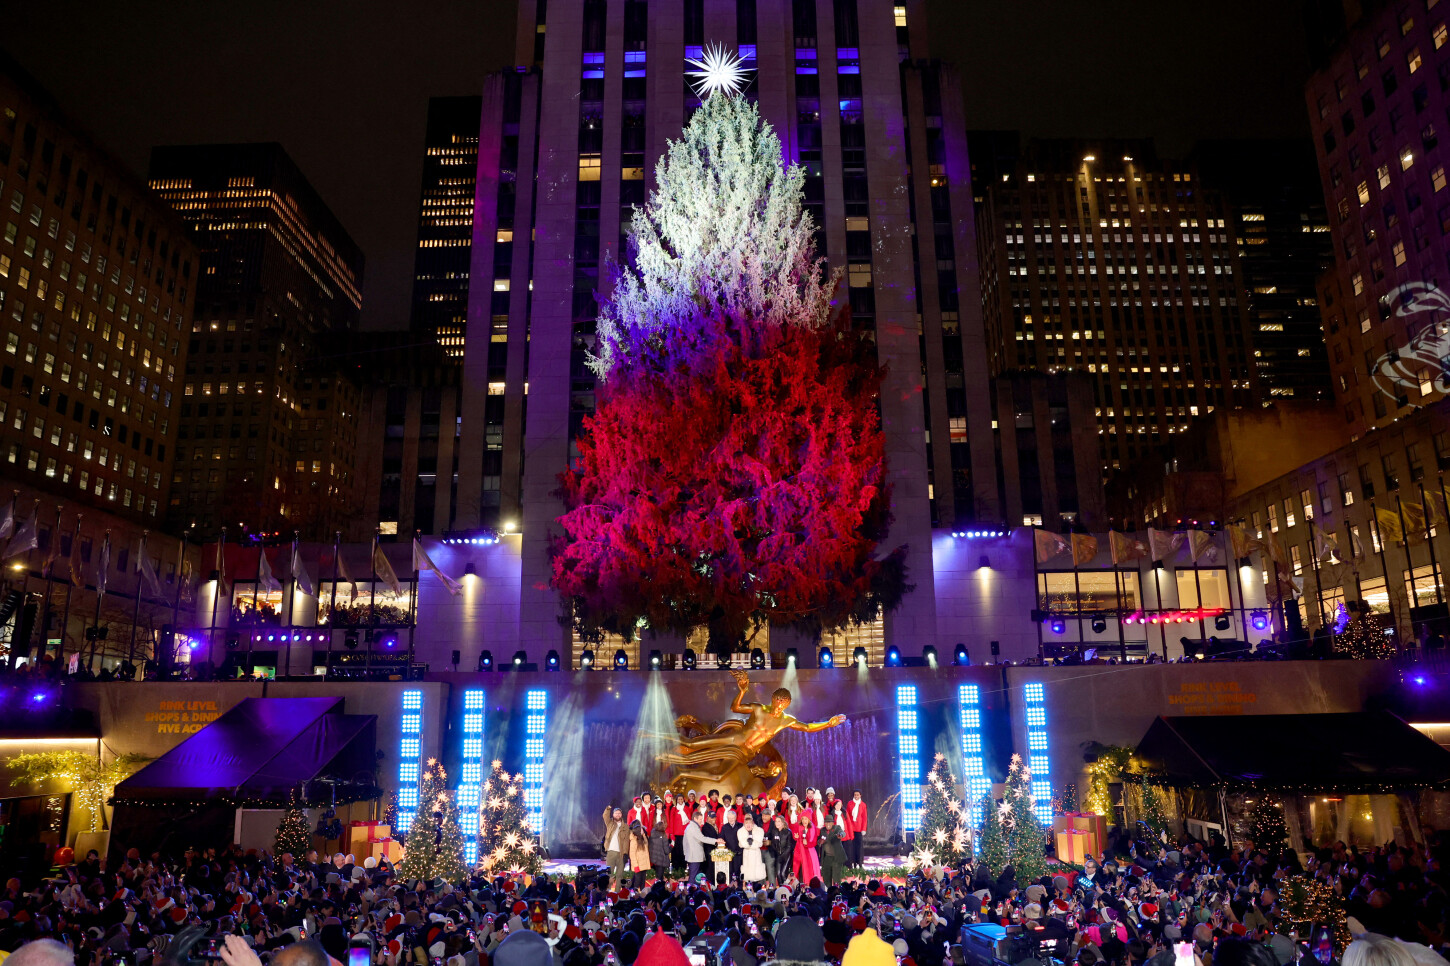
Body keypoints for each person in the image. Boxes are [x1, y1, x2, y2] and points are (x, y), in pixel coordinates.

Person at [682, 810, 716, 884]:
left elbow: (684, 842)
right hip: (694, 857)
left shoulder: (691, 826)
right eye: (700, 819)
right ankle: (690, 893)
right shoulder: (693, 827)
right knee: (693, 878)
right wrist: (716, 841)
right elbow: (702, 838)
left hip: (693, 856)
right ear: (695, 818)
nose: (702, 821)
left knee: (694, 877)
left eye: (702, 819)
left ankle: (692, 892)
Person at [738, 812, 767, 886]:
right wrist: (749, 843)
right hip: (746, 855)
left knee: (756, 877)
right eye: (746, 823)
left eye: (750, 822)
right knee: (748, 876)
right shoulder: (741, 832)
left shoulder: (759, 831)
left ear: (753, 823)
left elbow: (759, 843)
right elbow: (742, 843)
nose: (748, 825)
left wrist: (751, 843)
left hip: (755, 854)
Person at [603, 805, 628, 888]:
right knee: (609, 873)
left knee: (619, 874)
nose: (618, 815)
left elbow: (628, 840)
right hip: (611, 852)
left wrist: (626, 853)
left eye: (619, 813)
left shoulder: (626, 826)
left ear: (621, 815)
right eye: (616, 813)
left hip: (621, 853)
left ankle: (617, 893)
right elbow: (605, 816)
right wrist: (608, 809)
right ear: (613, 815)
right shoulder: (610, 823)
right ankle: (608, 892)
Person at [818, 814, 847, 887]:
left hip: (836, 857)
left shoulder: (836, 828)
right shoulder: (822, 830)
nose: (828, 824)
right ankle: (828, 893)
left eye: (829, 822)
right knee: (826, 878)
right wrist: (820, 842)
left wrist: (840, 835)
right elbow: (818, 840)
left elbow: (842, 832)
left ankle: (837, 894)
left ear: (832, 823)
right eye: (826, 822)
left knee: (836, 879)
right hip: (827, 857)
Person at [793, 809, 820, 883]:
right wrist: (796, 837)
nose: (804, 821)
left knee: (809, 870)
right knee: (798, 870)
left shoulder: (813, 828)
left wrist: (807, 843)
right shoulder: (798, 826)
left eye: (806, 819)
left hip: (809, 853)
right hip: (799, 852)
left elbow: (814, 842)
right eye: (803, 819)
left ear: (809, 819)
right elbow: (794, 835)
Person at [768, 813, 795, 886]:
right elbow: (773, 844)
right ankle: (781, 889)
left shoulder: (788, 832)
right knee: (778, 874)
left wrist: (783, 854)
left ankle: (787, 888)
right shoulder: (774, 831)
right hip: (778, 855)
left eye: (779, 821)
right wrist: (777, 852)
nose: (777, 823)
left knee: (783, 873)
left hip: (787, 856)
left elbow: (789, 846)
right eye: (776, 821)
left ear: (783, 822)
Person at [845, 789, 868, 867]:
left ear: (860, 795)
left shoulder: (863, 805)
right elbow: (847, 816)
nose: (856, 796)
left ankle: (860, 862)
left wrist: (864, 829)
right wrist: (847, 827)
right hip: (851, 828)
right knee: (852, 846)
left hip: (859, 829)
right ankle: (853, 862)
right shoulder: (850, 803)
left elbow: (864, 818)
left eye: (858, 795)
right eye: (855, 795)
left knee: (859, 846)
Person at [628, 819, 651, 889]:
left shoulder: (642, 838)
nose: (642, 829)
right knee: (637, 882)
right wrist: (636, 866)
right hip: (638, 865)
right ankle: (634, 896)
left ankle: (642, 896)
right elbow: (632, 854)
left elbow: (646, 845)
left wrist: (644, 835)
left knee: (642, 882)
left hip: (644, 864)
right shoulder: (634, 840)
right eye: (641, 828)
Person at [648, 814, 672, 881]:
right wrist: (671, 847)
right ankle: (659, 889)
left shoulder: (652, 835)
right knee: (660, 877)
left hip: (654, 859)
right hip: (661, 859)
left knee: (657, 876)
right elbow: (666, 851)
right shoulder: (663, 836)